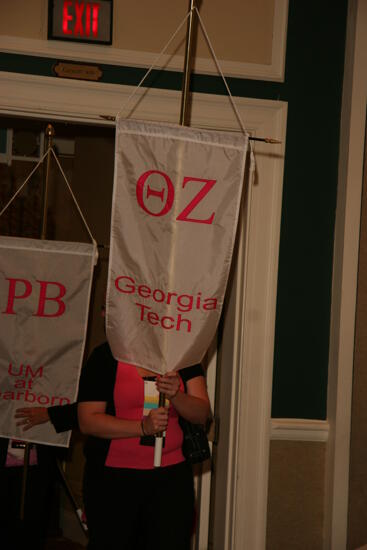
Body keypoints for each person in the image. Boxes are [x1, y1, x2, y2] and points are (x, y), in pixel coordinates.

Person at [77, 341, 211, 550]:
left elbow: (202, 414)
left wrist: (176, 395)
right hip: (112, 480)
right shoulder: (105, 355)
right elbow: (87, 421)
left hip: (171, 478)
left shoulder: (184, 355)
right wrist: (142, 427)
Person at [0, 403, 78, 548]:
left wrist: (51, 414)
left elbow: (78, 409)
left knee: (32, 520)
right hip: (5, 450)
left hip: (40, 457)